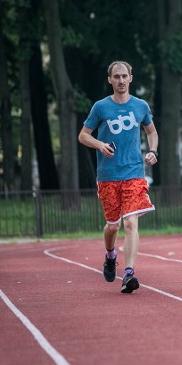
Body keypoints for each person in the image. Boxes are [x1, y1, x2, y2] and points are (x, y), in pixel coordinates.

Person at [78, 60, 158, 294]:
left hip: (134, 172)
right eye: (117, 77)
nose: (121, 81)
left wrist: (152, 151)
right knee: (113, 226)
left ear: (131, 78)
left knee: (131, 222)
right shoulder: (101, 107)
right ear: (110, 80)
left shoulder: (141, 106)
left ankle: (129, 273)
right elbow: (83, 135)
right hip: (108, 175)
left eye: (125, 76)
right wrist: (100, 144)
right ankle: (110, 255)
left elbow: (151, 131)